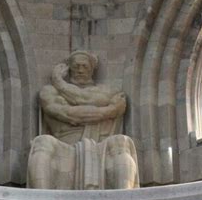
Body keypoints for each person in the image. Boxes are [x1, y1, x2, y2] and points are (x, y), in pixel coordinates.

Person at [27, 50, 139, 190]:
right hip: (63, 145)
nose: (80, 70)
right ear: (69, 69)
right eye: (76, 66)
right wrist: (110, 111)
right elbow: (69, 114)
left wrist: (60, 85)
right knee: (42, 142)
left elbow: (84, 99)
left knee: (121, 142)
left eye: (84, 66)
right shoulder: (49, 91)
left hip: (100, 147)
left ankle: (125, 199)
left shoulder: (108, 91)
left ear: (92, 69)